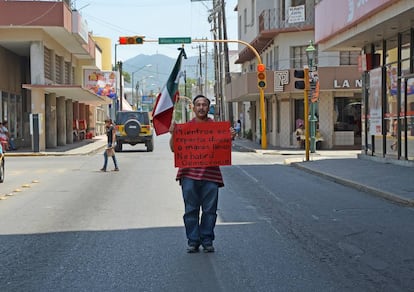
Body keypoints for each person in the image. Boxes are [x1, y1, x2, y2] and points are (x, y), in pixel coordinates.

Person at [169, 94, 236, 253]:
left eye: (204, 105)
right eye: (198, 105)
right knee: (190, 210)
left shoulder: (217, 128)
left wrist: (230, 136)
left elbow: (223, 149)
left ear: (208, 107)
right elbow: (173, 149)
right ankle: (193, 241)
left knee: (210, 211)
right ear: (193, 108)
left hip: (211, 176)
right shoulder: (185, 128)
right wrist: (173, 134)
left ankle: (207, 240)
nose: (201, 107)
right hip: (189, 176)